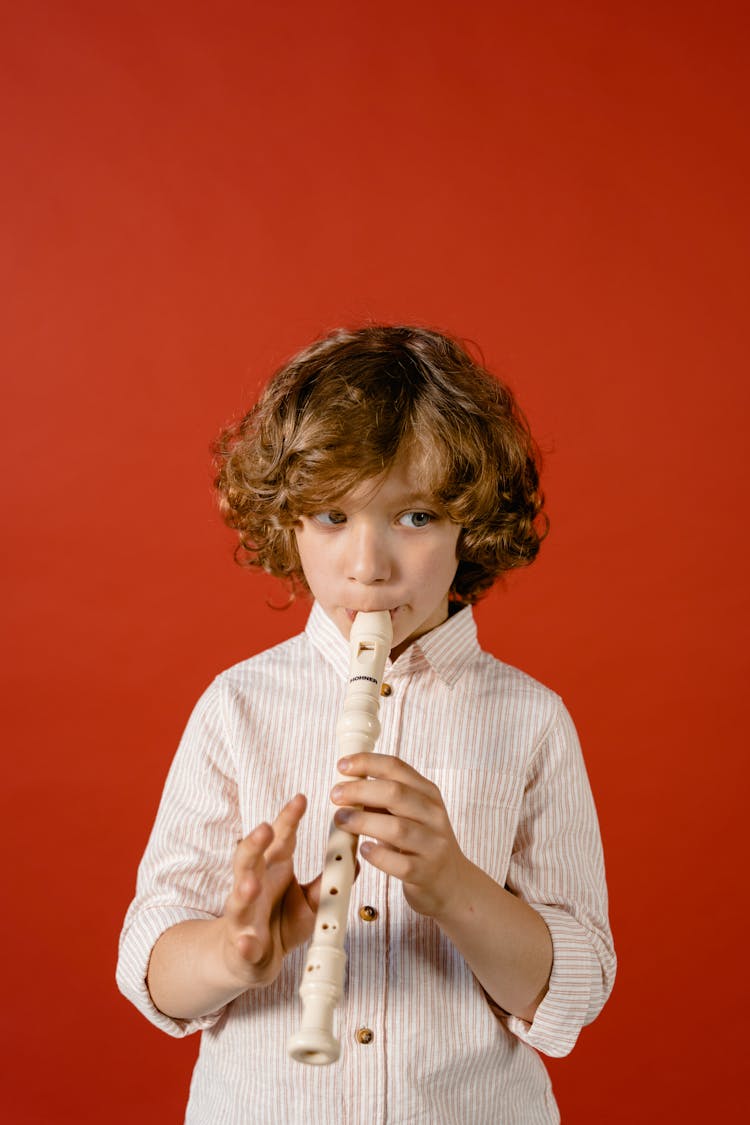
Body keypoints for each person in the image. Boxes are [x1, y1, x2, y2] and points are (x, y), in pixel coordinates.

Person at [117, 324, 615, 1124]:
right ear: (287, 522)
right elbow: (147, 961)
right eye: (331, 516)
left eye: (415, 515)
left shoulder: (530, 720)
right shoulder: (237, 705)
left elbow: (576, 988)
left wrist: (454, 885)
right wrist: (234, 949)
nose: (367, 564)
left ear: (472, 522)